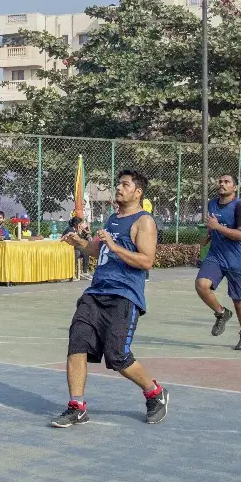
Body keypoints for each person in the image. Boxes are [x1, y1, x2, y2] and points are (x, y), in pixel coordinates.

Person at [52, 170, 168, 428]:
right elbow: (98, 250)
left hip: (123, 295)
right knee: (77, 343)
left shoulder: (144, 221)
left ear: (138, 192)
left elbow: (147, 260)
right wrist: (80, 242)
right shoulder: (113, 219)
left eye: (125, 185)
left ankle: (154, 393)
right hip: (95, 293)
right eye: (118, 184)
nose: (118, 188)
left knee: (117, 357)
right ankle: (77, 406)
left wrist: (115, 247)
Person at [194, 174, 241, 351]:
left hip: (237, 259)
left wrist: (217, 227)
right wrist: (209, 235)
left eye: (227, 182)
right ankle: (221, 313)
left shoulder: (240, 206)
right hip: (216, 256)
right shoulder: (212, 204)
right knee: (201, 285)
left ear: (234, 187)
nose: (222, 184)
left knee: (238, 300)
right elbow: (214, 225)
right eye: (220, 181)